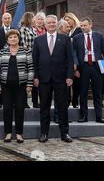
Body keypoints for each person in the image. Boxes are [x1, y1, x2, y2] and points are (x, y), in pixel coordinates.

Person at [33, 15, 73, 143]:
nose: (51, 24)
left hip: (61, 78)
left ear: (57, 24)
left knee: (62, 106)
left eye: (53, 22)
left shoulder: (65, 39)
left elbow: (70, 60)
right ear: (45, 24)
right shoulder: (38, 40)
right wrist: (35, 77)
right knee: (44, 107)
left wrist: (69, 76)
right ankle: (44, 133)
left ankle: (64, 133)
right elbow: (35, 60)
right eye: (49, 22)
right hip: (44, 78)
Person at [0, 29, 33, 143]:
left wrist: (29, 84)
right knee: (7, 109)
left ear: (18, 38)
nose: (13, 39)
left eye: (15, 37)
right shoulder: (2, 52)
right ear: (7, 40)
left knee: (19, 108)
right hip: (6, 85)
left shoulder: (26, 51)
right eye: (11, 37)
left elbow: (31, 69)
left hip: (21, 85)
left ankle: (19, 133)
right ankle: (7, 133)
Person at [73, 17, 104, 123]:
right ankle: (83, 116)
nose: (83, 27)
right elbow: (74, 53)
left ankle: (99, 116)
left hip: (97, 66)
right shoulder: (77, 38)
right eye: (81, 25)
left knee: (97, 92)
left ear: (90, 25)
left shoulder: (99, 36)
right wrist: (75, 67)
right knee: (83, 92)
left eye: (85, 25)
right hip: (83, 67)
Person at [19, 12, 38, 108]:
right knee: (26, 80)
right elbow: (23, 45)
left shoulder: (34, 30)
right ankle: (24, 102)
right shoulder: (23, 30)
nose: (35, 20)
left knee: (34, 79)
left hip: (35, 57)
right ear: (29, 19)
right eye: (34, 18)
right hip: (27, 57)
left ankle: (35, 102)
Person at [64, 12, 83, 108]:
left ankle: (75, 102)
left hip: (78, 61)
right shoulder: (68, 31)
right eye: (65, 20)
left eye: (68, 20)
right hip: (70, 61)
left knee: (77, 83)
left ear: (73, 19)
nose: (67, 22)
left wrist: (77, 66)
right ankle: (71, 102)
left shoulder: (79, 30)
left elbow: (79, 49)